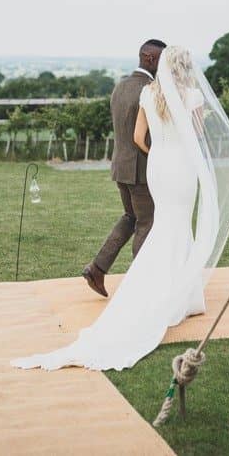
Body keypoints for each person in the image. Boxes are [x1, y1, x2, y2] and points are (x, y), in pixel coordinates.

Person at [12, 46, 229, 371]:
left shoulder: (149, 94)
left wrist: (159, 152)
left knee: (164, 224)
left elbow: (138, 137)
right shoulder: (191, 96)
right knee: (178, 226)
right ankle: (179, 295)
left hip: (158, 168)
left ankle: (177, 292)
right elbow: (198, 137)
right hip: (181, 168)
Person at [81, 39, 165, 297]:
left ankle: (97, 268)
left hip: (121, 165)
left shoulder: (120, 86)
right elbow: (145, 135)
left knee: (130, 218)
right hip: (140, 168)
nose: (164, 67)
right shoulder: (149, 90)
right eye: (162, 60)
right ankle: (140, 285)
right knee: (146, 223)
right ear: (150, 59)